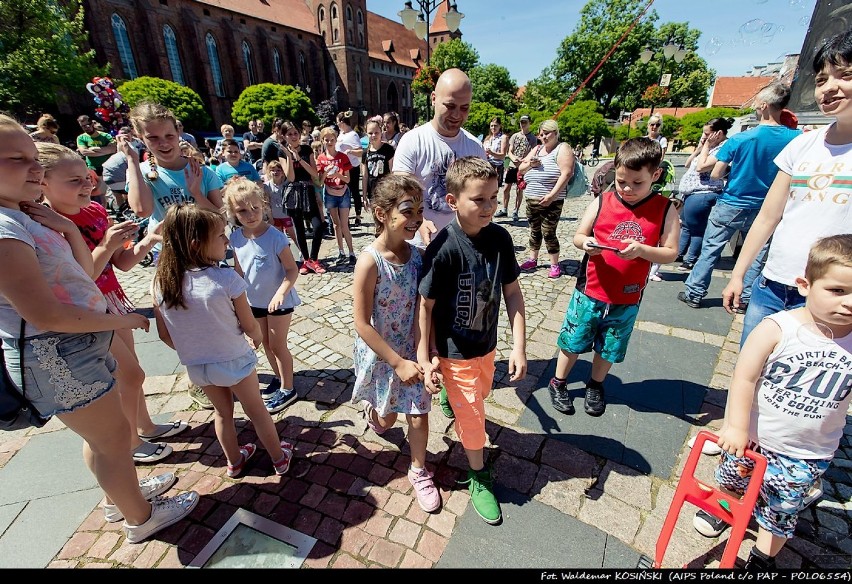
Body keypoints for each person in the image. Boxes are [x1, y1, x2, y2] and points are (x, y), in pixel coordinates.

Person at [0, 114, 198, 543]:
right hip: (56, 352)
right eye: (18, 159)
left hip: (74, 345)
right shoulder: (5, 229)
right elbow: (46, 314)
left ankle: (119, 499)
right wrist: (121, 319)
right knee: (113, 438)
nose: (33, 169)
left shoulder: (23, 215)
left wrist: (71, 230)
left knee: (109, 436)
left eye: (34, 157)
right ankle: (142, 518)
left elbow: (80, 271)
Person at [691, 234, 852, 570]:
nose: (848, 302)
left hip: (806, 450)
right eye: (837, 290)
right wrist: (735, 425)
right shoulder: (777, 328)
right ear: (805, 285)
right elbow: (744, 377)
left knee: (782, 507)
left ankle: (763, 557)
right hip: (751, 439)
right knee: (732, 480)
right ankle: (726, 509)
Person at [36, 141, 188, 465]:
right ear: (43, 182)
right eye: (73, 180)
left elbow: (122, 263)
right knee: (130, 376)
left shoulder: (95, 211)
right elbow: (82, 275)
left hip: (113, 299)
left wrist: (149, 239)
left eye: (86, 176)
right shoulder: (46, 225)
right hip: (90, 311)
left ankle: (144, 426)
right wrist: (105, 244)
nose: (86, 185)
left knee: (131, 372)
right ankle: (131, 442)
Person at [722, 29, 852, 344]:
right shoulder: (802, 146)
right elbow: (769, 216)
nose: (828, 88)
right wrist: (739, 274)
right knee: (751, 371)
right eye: (821, 80)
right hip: (774, 284)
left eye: (844, 75)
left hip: (835, 296)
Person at [418, 156, 527, 525]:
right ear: (453, 201)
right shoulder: (445, 247)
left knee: (479, 396)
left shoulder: (500, 238)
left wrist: (520, 346)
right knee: (474, 418)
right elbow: (426, 304)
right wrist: (427, 352)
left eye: (493, 198)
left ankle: (455, 397)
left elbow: (512, 292)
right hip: (454, 351)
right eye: (478, 200)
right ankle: (479, 476)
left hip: (487, 345)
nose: (489, 207)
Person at [152, 204, 295, 478]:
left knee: (222, 413)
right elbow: (249, 324)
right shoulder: (226, 278)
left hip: (197, 366)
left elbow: (165, 334)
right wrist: (254, 339)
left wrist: (195, 349)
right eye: (220, 236)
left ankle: (234, 462)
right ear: (197, 245)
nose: (227, 241)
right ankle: (279, 458)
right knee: (257, 411)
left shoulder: (160, 283)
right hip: (234, 359)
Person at [547, 138, 680, 417]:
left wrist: (643, 250)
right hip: (591, 289)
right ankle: (558, 381)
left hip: (627, 295)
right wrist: (587, 244)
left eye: (637, 182)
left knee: (609, 346)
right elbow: (578, 236)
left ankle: (595, 384)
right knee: (573, 339)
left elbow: (670, 253)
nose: (628, 189)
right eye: (621, 181)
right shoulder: (603, 200)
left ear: (655, 176)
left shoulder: (665, 209)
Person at [123, 101, 224, 410]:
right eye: (153, 138)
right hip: (168, 257)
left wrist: (195, 191)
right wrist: (130, 161)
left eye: (168, 135)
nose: (163, 144)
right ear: (141, 138)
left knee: (212, 315)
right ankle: (197, 377)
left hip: (205, 256)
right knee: (179, 320)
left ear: (178, 132)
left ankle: (221, 366)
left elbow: (219, 216)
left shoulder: (201, 171)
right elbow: (140, 210)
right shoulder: (143, 172)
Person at [351, 174, 440, 513]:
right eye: (407, 211)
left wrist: (427, 353)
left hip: (412, 351)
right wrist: (395, 362)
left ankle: (418, 469)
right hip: (381, 354)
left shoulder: (419, 257)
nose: (416, 218)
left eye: (420, 210)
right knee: (386, 420)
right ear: (381, 213)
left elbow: (424, 310)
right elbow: (362, 323)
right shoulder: (369, 262)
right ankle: (375, 414)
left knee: (418, 414)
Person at [678, 81, 801, 311]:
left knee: (710, 250)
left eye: (756, 105)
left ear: (764, 105)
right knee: (756, 254)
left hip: (732, 201)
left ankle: (694, 293)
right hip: (768, 208)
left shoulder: (741, 139)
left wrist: (736, 172)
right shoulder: (796, 139)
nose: (755, 109)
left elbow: (715, 173)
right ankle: (743, 298)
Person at [222, 178, 301, 414]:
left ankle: (289, 389)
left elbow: (291, 269)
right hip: (253, 302)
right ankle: (279, 378)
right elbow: (238, 271)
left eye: (255, 208)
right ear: (233, 213)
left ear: (264, 205)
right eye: (242, 211)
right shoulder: (236, 238)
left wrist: (280, 293)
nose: (250, 215)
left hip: (279, 302)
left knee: (278, 345)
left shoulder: (275, 237)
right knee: (265, 343)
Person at [394, 68, 486, 248]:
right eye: (450, 106)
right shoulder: (413, 141)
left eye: (464, 108)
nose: (457, 115)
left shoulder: (475, 147)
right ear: (434, 98)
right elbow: (399, 192)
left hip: (462, 246)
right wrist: (418, 222)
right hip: (420, 246)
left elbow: (482, 197)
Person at [516, 119, 576, 279]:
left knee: (549, 232)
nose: (543, 137)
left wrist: (552, 196)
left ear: (555, 133)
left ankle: (554, 264)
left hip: (552, 200)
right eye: (541, 134)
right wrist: (530, 164)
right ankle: (532, 259)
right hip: (532, 198)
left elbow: (567, 173)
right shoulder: (537, 148)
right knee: (534, 230)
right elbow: (521, 168)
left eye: (546, 133)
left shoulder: (562, 148)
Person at [675, 118, 733, 272]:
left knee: (697, 229)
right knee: (686, 226)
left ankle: (690, 260)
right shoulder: (709, 147)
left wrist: (707, 145)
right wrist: (700, 147)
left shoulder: (723, 148)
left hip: (704, 193)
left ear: (718, 134)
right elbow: (689, 164)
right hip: (691, 193)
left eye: (707, 134)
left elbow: (701, 167)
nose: (704, 137)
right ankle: (679, 253)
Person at [280, 120, 326, 275]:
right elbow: (290, 177)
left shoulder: (306, 149)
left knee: (318, 226)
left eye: (295, 133)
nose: (293, 136)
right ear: (284, 136)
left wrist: (298, 158)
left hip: (308, 190)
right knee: (299, 228)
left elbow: (314, 173)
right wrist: (289, 157)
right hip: (293, 192)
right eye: (289, 134)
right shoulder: (282, 152)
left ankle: (313, 258)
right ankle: (306, 261)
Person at [315, 126, 356, 266]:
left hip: (343, 191)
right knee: (336, 224)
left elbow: (348, 179)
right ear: (323, 141)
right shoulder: (320, 159)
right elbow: (320, 183)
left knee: (344, 224)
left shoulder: (342, 157)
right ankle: (341, 251)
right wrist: (326, 173)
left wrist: (337, 173)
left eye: (332, 140)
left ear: (336, 140)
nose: (329, 142)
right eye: (327, 140)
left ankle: (351, 252)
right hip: (330, 193)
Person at [497, 115, 537, 222]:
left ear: (529, 123)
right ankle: (505, 208)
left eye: (525, 122)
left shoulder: (533, 138)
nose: (522, 124)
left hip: (523, 167)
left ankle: (516, 210)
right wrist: (513, 158)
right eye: (521, 122)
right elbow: (509, 151)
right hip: (512, 165)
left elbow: (533, 152)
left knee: (519, 189)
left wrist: (525, 160)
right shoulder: (515, 136)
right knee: (506, 188)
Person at [77, 114, 117, 205]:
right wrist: (104, 150)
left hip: (108, 166)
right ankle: (104, 210)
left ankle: (117, 208)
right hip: (94, 168)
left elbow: (112, 149)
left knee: (114, 189)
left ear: (92, 123)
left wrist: (94, 149)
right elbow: (84, 152)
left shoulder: (105, 136)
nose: (87, 127)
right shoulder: (81, 138)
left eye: (88, 124)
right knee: (99, 192)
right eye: (83, 126)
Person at [335, 111, 365, 227]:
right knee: (343, 192)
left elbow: (360, 151)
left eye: (338, 122)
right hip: (342, 168)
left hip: (352, 167)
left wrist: (350, 151)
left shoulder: (353, 135)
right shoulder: (341, 134)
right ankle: (345, 216)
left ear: (342, 122)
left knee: (354, 191)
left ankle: (358, 215)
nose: (337, 124)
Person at [263, 159, 298, 244]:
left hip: (286, 215)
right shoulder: (267, 186)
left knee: (294, 236)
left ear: (282, 172)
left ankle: (303, 253)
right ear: (269, 172)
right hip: (275, 216)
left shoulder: (286, 184)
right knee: (280, 238)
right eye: (273, 170)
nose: (276, 172)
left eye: (278, 170)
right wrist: (270, 218)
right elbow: (267, 203)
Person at [362, 119, 395, 209]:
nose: (373, 135)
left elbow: (393, 172)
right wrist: (364, 196)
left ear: (381, 132)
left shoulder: (388, 149)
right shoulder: (365, 153)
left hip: (386, 189)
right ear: (366, 134)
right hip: (372, 191)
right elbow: (365, 176)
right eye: (370, 133)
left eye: (376, 132)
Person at [483, 116, 508, 197]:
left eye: (495, 125)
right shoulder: (488, 138)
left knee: (493, 190)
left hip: (497, 166)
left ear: (500, 126)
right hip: (487, 165)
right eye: (492, 125)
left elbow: (502, 155)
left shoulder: (503, 137)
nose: (493, 127)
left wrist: (491, 153)